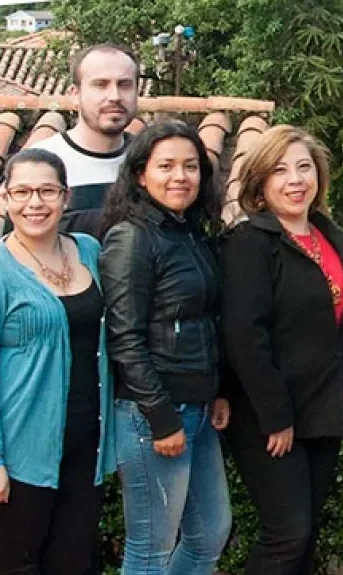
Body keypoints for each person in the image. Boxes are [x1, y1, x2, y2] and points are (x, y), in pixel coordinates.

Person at [0, 148, 115, 574]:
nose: (35, 203)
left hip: (87, 445)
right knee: (18, 565)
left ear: (65, 197)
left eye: (47, 191)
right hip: (20, 450)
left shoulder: (89, 251)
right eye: (22, 191)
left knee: (75, 563)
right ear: (5, 198)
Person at [219, 125, 343, 574]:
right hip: (269, 415)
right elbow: (245, 337)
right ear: (260, 182)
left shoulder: (327, 233)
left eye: (304, 167)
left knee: (306, 535)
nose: (295, 180)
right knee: (287, 533)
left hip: (322, 407)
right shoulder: (250, 242)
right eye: (280, 170)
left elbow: (340, 320)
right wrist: (275, 416)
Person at [99, 120, 231, 575]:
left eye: (191, 167)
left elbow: (207, 321)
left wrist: (217, 391)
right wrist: (160, 417)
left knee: (209, 535)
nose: (181, 176)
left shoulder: (190, 233)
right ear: (140, 175)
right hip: (153, 413)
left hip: (198, 407)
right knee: (150, 549)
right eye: (167, 166)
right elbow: (125, 337)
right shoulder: (131, 237)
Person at [0, 43, 141, 241]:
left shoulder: (152, 163)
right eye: (100, 85)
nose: (115, 96)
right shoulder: (38, 166)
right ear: (75, 95)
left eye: (125, 85)